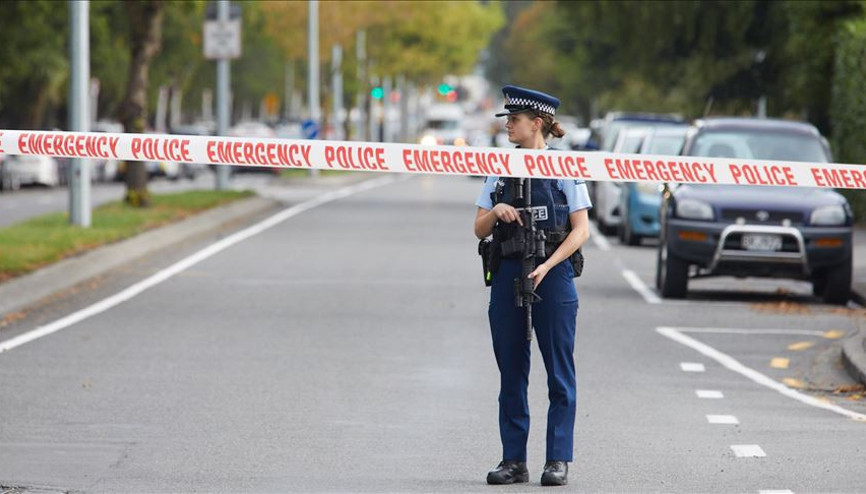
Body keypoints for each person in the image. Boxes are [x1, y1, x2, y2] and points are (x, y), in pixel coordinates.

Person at [473, 85, 591, 486]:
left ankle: (557, 459)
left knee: (559, 371)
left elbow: (580, 231)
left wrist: (547, 266)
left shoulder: (564, 168)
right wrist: (498, 211)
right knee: (511, 370)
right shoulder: (499, 170)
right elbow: (478, 227)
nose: (508, 126)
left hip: (553, 275)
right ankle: (513, 460)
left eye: (515, 119)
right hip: (507, 272)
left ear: (536, 124)